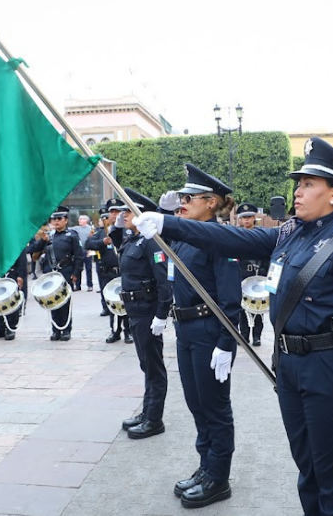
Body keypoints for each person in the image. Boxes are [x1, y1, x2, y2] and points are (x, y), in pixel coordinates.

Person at [135, 146, 333, 515]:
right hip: (290, 369)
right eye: (298, 184)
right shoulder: (290, 235)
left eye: (308, 184)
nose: (298, 192)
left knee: (332, 478)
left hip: (330, 371)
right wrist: (168, 223)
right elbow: (228, 240)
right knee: (307, 471)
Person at [131, 164, 244, 508]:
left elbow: (230, 298)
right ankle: (205, 466)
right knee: (197, 405)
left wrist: (227, 343)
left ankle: (218, 478)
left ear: (210, 202)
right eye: (181, 197)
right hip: (186, 330)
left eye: (188, 198)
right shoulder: (189, 235)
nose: (182, 202)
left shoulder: (219, 238)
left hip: (210, 331)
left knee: (214, 406)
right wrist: (165, 213)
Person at [116, 188, 174, 439]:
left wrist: (162, 314)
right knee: (145, 364)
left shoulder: (152, 242)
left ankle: (154, 419)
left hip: (148, 311)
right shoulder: (134, 239)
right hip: (135, 311)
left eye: (127, 211)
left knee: (153, 366)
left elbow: (164, 280)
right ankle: (147, 410)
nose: (123, 215)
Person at [29, 206, 83, 341]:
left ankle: (66, 330)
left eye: (59, 219)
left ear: (65, 220)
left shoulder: (72, 235)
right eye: (54, 219)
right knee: (52, 303)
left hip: (66, 272)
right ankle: (55, 330)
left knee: (65, 302)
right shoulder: (49, 236)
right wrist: (42, 240)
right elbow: (34, 249)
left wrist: (76, 272)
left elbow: (79, 255)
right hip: (51, 273)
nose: (56, 221)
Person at [87, 199, 128, 342]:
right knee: (112, 303)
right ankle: (115, 331)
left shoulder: (126, 230)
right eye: (112, 212)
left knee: (126, 303)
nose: (114, 214)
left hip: (124, 272)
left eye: (117, 211)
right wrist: (101, 242)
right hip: (108, 273)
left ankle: (128, 332)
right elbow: (88, 244)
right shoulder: (102, 231)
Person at [233, 203, 268, 347]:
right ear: (239, 220)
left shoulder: (262, 234)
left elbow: (267, 256)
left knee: (258, 307)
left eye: (249, 217)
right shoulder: (235, 235)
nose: (246, 220)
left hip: (258, 274)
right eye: (243, 218)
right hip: (242, 275)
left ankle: (257, 336)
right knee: (242, 308)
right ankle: (244, 335)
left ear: (254, 217)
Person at [71, 214, 93, 291]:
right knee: (78, 268)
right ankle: (77, 285)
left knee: (88, 269)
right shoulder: (76, 229)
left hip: (87, 251)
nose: (79, 220)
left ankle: (90, 285)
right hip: (79, 252)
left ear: (86, 220)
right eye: (79, 219)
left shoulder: (91, 229)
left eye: (81, 219)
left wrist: (91, 250)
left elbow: (93, 240)